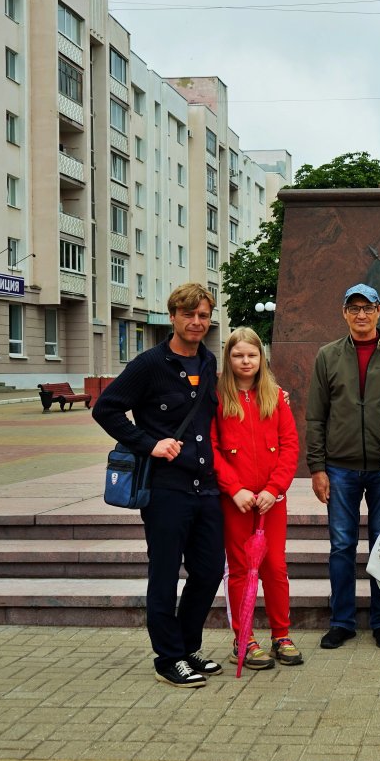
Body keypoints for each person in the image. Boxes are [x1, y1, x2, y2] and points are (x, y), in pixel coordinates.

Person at [92, 283, 224, 688]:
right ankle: (168, 657)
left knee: (208, 571)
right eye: (189, 315)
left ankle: (187, 645)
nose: (197, 322)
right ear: (173, 316)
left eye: (203, 315)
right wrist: (150, 444)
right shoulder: (150, 364)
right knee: (165, 574)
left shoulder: (209, 361)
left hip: (206, 487)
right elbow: (106, 408)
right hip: (167, 488)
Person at [307, 283, 380, 650]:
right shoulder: (327, 355)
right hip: (339, 467)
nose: (361, 315)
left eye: (367, 308)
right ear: (344, 313)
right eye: (353, 309)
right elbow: (315, 416)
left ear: (379, 311)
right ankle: (342, 622)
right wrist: (317, 468)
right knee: (342, 547)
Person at [211, 327, 301, 671]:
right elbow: (214, 449)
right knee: (240, 570)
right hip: (236, 502)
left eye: (251, 355)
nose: (245, 361)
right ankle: (243, 638)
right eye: (238, 355)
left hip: (270, 502)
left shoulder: (275, 397)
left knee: (275, 567)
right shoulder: (218, 399)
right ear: (228, 359)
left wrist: (274, 489)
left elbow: (290, 446)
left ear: (262, 358)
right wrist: (234, 488)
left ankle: (281, 634)